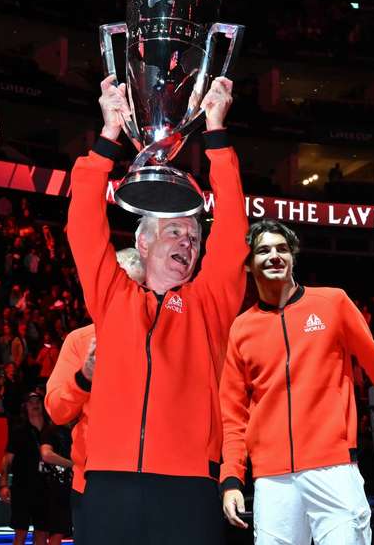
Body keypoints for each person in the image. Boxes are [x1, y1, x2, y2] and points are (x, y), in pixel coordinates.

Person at [66, 75, 248, 545]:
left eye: (193, 236)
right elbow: (84, 225)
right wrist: (107, 138)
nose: (187, 242)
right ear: (143, 242)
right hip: (108, 482)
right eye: (174, 232)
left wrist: (215, 133)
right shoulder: (113, 297)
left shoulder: (210, 303)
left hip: (189, 486)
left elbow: (231, 231)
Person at [220, 220, 374, 544]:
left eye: (282, 249)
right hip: (272, 477)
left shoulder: (333, 303)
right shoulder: (241, 328)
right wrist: (231, 479)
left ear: (294, 257)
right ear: (249, 264)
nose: (274, 256)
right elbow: (233, 415)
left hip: (334, 468)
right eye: (263, 250)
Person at [44, 248, 145, 531]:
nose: (129, 296)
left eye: (138, 288)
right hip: (92, 484)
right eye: (122, 286)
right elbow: (56, 410)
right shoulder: (80, 341)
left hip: (153, 484)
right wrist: (84, 378)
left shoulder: (163, 338)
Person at [1, 392, 49, 545]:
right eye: (31, 401)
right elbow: (7, 460)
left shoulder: (51, 430)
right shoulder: (19, 431)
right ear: (25, 406)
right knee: (21, 532)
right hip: (22, 488)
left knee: (42, 531)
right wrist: (3, 484)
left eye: (38, 401)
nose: (35, 404)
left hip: (46, 488)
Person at [40, 422, 72, 545]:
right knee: (57, 532)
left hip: (71, 487)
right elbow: (46, 455)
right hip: (59, 488)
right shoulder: (52, 431)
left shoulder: (77, 429)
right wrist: (73, 464)